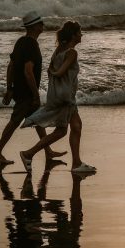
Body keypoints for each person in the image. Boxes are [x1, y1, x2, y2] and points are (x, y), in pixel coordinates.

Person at [19, 21, 96, 173]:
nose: (82, 35)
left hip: (57, 95)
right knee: (63, 131)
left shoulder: (58, 50)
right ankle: (29, 153)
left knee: (76, 126)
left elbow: (51, 70)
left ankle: (76, 163)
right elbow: (60, 71)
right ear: (73, 35)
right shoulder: (72, 52)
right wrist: (56, 73)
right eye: (79, 32)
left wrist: (53, 73)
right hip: (65, 96)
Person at [0, 11, 66, 164]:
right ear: (35, 27)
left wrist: (10, 88)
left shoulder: (21, 42)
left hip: (19, 90)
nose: (43, 25)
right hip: (26, 93)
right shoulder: (31, 45)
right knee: (14, 122)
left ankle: (48, 151)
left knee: (38, 120)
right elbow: (28, 71)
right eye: (41, 23)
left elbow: (11, 66)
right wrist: (35, 95)